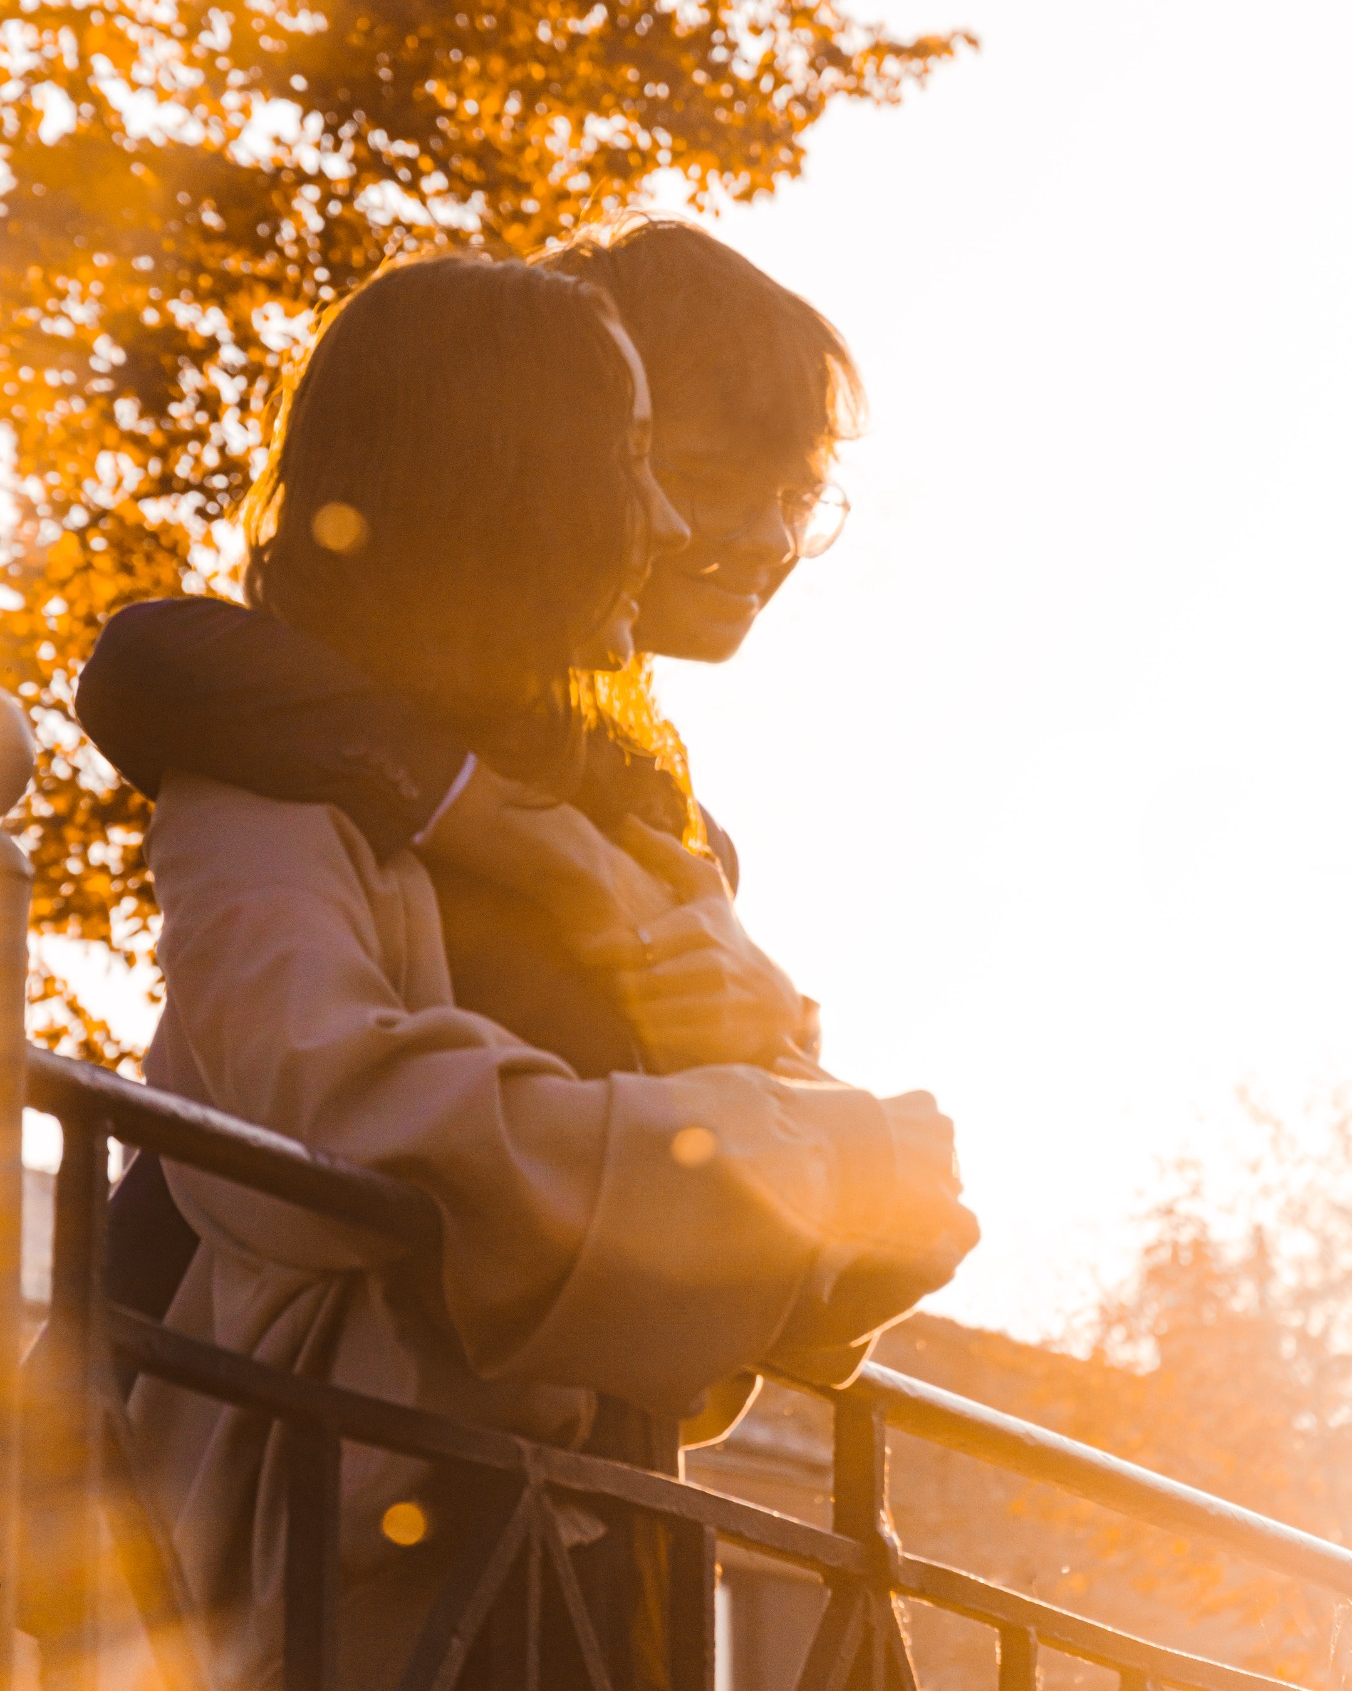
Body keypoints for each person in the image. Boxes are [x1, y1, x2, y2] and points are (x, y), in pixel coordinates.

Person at [118, 248, 977, 1691]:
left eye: (790, 498)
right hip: (364, 1538)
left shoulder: (651, 820)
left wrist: (822, 1156)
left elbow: (834, 1240)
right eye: (654, 465)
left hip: (590, 1536)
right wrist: (813, 1155)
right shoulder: (284, 757)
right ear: (516, 472)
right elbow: (331, 1120)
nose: (669, 528)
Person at [77, 218, 865, 1340]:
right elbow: (153, 662)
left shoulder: (662, 813)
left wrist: (776, 1027)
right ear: (556, 441)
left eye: (797, 496)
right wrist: (504, 826)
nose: (752, 536)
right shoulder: (316, 702)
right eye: (690, 471)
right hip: (227, 1372)